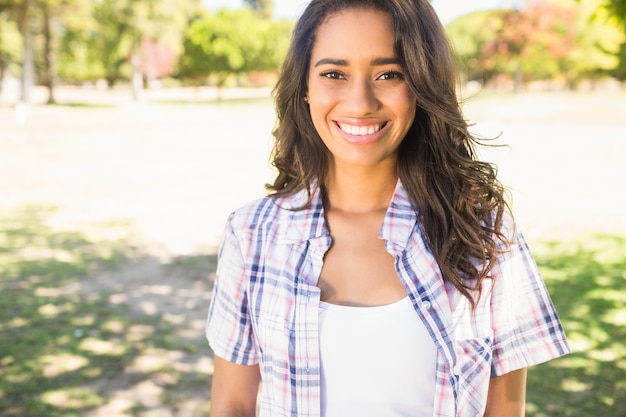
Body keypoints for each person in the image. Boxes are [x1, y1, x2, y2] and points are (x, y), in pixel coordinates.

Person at [206, 0, 570, 416]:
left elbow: (504, 411)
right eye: (333, 74)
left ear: (421, 83)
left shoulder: (483, 232)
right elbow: (233, 405)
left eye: (388, 74)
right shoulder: (251, 234)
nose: (360, 103)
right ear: (305, 87)